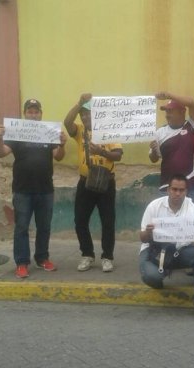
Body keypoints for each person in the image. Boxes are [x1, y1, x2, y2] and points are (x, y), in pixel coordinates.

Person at [0, 99, 67, 278]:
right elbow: (1, 153)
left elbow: (58, 157)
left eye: (36, 112)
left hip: (45, 189)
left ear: (41, 114)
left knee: (44, 227)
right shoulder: (16, 132)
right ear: (25, 114)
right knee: (21, 227)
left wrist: (63, 145)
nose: (33, 115)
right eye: (30, 112)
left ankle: (42, 258)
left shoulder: (48, 132)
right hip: (22, 190)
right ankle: (21, 262)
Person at [139, 174, 194, 321]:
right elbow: (142, 238)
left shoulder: (192, 209)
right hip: (154, 250)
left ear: (186, 191)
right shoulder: (154, 206)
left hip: (180, 251)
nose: (178, 193)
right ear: (168, 190)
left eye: (181, 190)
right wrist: (148, 232)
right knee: (151, 277)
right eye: (174, 189)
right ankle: (160, 273)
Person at [64, 93, 123, 273]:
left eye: (88, 113)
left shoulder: (109, 130)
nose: (85, 117)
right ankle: (87, 254)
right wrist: (79, 103)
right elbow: (67, 123)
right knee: (80, 219)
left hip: (106, 181)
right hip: (86, 181)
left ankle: (107, 257)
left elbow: (118, 155)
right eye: (83, 114)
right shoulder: (80, 131)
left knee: (108, 221)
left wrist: (102, 152)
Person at [149, 92, 194, 207]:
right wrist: (153, 151)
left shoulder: (191, 125)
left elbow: (192, 103)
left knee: (192, 221)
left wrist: (169, 95)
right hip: (167, 186)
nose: (167, 115)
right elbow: (153, 159)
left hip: (190, 184)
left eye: (170, 111)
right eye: (166, 111)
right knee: (167, 220)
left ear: (182, 112)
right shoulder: (159, 132)